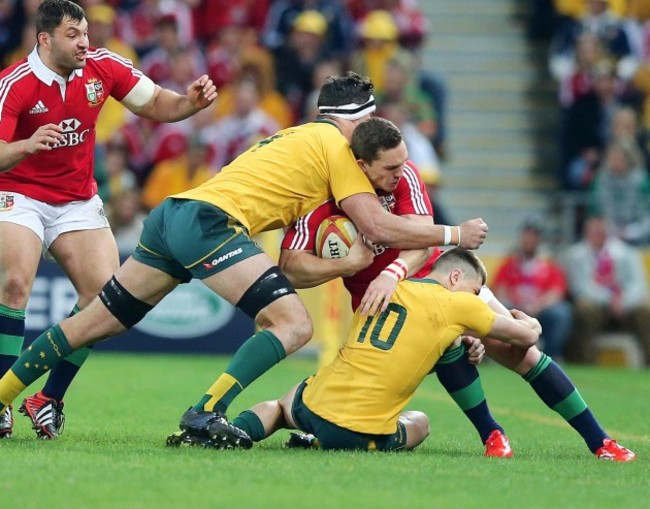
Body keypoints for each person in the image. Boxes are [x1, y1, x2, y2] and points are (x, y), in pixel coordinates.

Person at [0, 72, 489, 448]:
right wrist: (454, 233)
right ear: (356, 121)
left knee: (95, 321)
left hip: (174, 215)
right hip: (211, 224)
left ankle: (3, 394)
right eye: (369, 122)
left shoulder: (298, 138)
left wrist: (342, 263)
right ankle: (205, 412)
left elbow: (298, 258)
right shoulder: (338, 147)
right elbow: (379, 226)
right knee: (293, 324)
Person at [276, 121, 636, 461]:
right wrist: (346, 265)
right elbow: (290, 266)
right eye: (389, 168)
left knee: (521, 348)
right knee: (449, 345)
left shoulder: (405, 175)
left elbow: (420, 236)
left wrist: (392, 272)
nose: (400, 173)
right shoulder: (325, 195)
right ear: (361, 165)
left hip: (442, 277)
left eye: (403, 163)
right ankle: (492, 434)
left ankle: (600, 441)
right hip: (387, 308)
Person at [0, 0, 218, 440]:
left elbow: (155, 101)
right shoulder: (14, 83)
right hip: (18, 192)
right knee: (15, 283)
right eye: (73, 35)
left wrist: (189, 104)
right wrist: (27, 145)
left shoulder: (103, 67)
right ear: (44, 39)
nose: (84, 43)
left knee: (104, 299)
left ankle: (49, 399)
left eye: (86, 33)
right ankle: (1, 400)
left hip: (77, 198)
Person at [185, 248, 540, 452]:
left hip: (316, 402)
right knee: (420, 422)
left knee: (281, 406)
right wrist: (532, 324)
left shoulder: (386, 289)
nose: (478, 299)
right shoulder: (460, 305)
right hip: (360, 431)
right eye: (476, 290)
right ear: (456, 279)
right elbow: (522, 338)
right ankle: (325, 442)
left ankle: (239, 431)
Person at [562, 216, 650, 365]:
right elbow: (580, 287)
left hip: (625, 305)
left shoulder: (627, 252)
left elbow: (638, 284)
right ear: (586, 233)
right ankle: (585, 362)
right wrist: (610, 300)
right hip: (597, 305)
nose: (597, 235)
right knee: (584, 307)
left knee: (646, 309)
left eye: (601, 231)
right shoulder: (575, 256)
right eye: (593, 232)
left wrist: (623, 301)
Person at [491, 217, 573, 359]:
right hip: (514, 308)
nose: (528, 239)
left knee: (561, 313)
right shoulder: (510, 264)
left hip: (541, 309)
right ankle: (500, 353)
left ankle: (550, 356)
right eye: (526, 235)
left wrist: (537, 305)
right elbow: (499, 289)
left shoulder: (549, 265)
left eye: (533, 236)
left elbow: (556, 292)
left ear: (539, 239)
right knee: (498, 308)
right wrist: (517, 304)